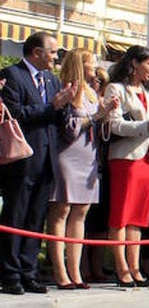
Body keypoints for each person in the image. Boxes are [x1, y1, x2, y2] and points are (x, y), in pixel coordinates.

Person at [0, 32, 75, 295]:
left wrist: (64, 105)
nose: (56, 57)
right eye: (52, 52)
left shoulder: (52, 81)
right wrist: (51, 106)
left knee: (35, 219)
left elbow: (57, 116)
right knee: (16, 216)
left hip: (47, 159)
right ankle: (9, 274)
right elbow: (15, 114)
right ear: (36, 52)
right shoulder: (12, 75)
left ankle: (28, 271)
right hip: (21, 160)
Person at [46, 49, 116, 289]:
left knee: (81, 212)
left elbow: (98, 127)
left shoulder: (91, 92)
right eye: (91, 62)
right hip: (68, 155)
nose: (95, 66)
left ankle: (76, 272)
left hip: (89, 155)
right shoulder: (67, 89)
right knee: (61, 210)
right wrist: (97, 116)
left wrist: (105, 114)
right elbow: (70, 129)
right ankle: (60, 272)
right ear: (80, 65)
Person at [103, 45, 149, 288]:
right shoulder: (115, 88)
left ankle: (135, 266)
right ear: (135, 63)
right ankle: (121, 268)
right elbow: (114, 124)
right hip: (126, 157)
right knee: (122, 214)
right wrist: (145, 126)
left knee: (138, 217)